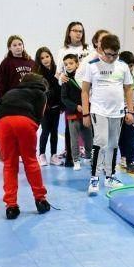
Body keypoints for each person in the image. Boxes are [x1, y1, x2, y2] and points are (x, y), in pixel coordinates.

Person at [0, 73, 51, 219]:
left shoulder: (11, 92)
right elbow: (38, 118)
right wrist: (25, 141)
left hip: (1, 123)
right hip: (25, 121)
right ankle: (40, 200)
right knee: (30, 161)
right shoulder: (41, 94)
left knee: (9, 164)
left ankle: (11, 207)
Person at [81, 34, 134, 195]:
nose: (111, 58)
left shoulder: (123, 66)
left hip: (117, 112)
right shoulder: (92, 66)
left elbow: (128, 89)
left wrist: (130, 110)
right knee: (101, 141)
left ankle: (110, 176)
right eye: (108, 54)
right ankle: (95, 178)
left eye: (115, 54)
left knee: (113, 143)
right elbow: (84, 91)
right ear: (101, 49)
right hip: (99, 110)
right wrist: (85, 113)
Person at [57, 21, 90, 167]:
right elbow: (58, 72)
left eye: (80, 31)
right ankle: (70, 152)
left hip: (87, 92)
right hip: (70, 94)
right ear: (69, 32)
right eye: (75, 30)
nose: (78, 33)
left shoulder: (88, 49)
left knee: (88, 127)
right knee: (71, 127)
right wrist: (61, 78)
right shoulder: (62, 50)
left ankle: (88, 152)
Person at [60, 54, 93, 171]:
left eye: (71, 63)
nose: (68, 66)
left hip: (85, 113)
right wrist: (75, 106)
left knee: (88, 136)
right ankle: (76, 160)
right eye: (66, 64)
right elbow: (64, 98)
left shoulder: (84, 78)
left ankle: (89, 156)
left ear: (77, 64)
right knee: (74, 139)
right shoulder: (65, 80)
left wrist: (86, 107)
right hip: (73, 114)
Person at [34, 47, 63, 166]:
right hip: (45, 108)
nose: (45, 59)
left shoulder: (57, 70)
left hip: (56, 106)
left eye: (47, 56)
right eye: (42, 58)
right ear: (39, 60)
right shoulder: (38, 74)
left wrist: (61, 105)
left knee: (55, 131)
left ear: (51, 56)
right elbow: (42, 91)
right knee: (45, 130)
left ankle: (54, 155)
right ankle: (41, 155)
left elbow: (61, 89)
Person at [0, 35, 35, 102]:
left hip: (29, 98)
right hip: (13, 99)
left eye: (20, 44)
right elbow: (0, 83)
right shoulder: (6, 63)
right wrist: (0, 100)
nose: (18, 47)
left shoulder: (31, 62)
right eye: (15, 45)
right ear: (10, 48)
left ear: (23, 46)